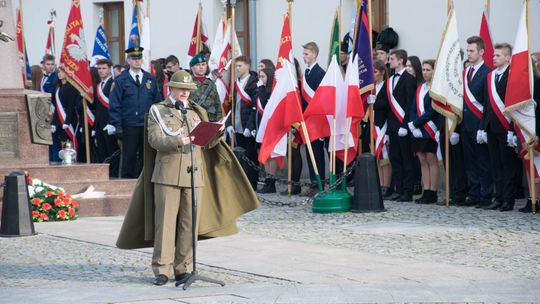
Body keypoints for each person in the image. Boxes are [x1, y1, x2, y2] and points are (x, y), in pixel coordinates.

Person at [116, 70, 259, 286]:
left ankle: (183, 268)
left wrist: (216, 132)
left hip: (194, 173)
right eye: (181, 88)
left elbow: (206, 144)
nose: (185, 92)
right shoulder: (159, 111)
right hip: (168, 174)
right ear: (171, 88)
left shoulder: (195, 112)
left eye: (188, 89)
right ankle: (162, 269)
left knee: (189, 224)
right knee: (164, 224)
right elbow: (155, 140)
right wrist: (177, 142)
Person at [109, 46, 162, 178]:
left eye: (139, 58)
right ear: (128, 60)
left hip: (147, 125)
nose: (137, 61)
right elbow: (115, 104)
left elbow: (157, 102)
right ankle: (128, 186)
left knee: (147, 158)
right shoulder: (121, 80)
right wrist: (117, 125)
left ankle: (145, 185)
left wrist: (157, 122)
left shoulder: (150, 79)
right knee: (129, 158)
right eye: (134, 58)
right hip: (129, 125)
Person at [477, 43, 518, 211]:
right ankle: (498, 197)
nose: (494, 58)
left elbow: (515, 104)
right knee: (495, 164)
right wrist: (482, 127)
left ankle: (509, 199)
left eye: (498, 55)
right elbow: (487, 104)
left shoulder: (513, 75)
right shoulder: (490, 76)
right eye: (494, 55)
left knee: (508, 164)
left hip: (506, 127)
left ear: (508, 58)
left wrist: (512, 130)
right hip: (491, 127)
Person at [380, 49, 417, 202]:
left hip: (404, 127)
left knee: (407, 159)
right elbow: (383, 101)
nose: (389, 61)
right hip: (393, 127)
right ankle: (399, 189)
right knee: (395, 158)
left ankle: (407, 192)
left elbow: (411, 105)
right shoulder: (389, 80)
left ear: (401, 60)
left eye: (392, 59)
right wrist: (372, 99)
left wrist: (405, 124)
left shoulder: (409, 79)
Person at [461, 36, 493, 207]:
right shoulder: (466, 72)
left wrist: (483, 127)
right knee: (470, 162)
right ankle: (473, 194)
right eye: (467, 51)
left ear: (481, 52)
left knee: (483, 162)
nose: (469, 53)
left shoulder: (488, 73)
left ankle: (485, 195)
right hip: (466, 124)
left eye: (472, 50)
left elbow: (488, 104)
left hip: (480, 125)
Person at [408, 60, 440, 204]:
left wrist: (416, 123)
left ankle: (432, 191)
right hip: (419, 129)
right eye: (424, 70)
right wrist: (414, 124)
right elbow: (414, 107)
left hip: (430, 128)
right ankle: (425, 190)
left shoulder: (436, 88)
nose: (425, 72)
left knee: (431, 159)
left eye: (428, 70)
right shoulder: (420, 87)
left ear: (434, 71)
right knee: (422, 159)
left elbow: (433, 110)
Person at [225, 55, 259, 190]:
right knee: (240, 155)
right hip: (238, 125)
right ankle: (243, 182)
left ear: (247, 66)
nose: (237, 69)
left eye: (239, 66)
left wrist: (250, 126)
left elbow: (255, 107)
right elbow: (232, 106)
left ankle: (252, 184)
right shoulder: (236, 83)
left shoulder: (254, 83)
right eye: (236, 66)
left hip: (248, 127)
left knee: (251, 156)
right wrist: (228, 124)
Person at [300, 42, 326, 197]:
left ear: (315, 55)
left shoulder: (320, 73)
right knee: (310, 153)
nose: (304, 57)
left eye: (307, 54)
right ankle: (313, 182)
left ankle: (319, 183)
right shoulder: (307, 73)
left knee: (316, 152)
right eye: (303, 54)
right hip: (307, 119)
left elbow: (321, 98)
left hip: (316, 119)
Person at [94, 59, 120, 176]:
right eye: (99, 68)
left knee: (112, 153)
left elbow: (115, 105)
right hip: (100, 124)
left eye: (104, 68)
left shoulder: (114, 84)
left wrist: (113, 123)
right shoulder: (98, 86)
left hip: (110, 124)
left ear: (110, 69)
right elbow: (97, 107)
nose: (101, 71)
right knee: (102, 152)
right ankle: (104, 175)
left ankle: (113, 175)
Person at [370, 60, 392, 197]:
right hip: (373, 124)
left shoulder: (387, 85)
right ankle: (379, 183)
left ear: (382, 72)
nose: (373, 74)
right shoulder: (372, 87)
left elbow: (388, 104)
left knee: (385, 156)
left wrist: (375, 101)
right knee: (376, 156)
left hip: (383, 124)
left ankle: (386, 185)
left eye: (375, 72)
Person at [256, 67, 278, 194]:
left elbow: (265, 103)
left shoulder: (270, 90)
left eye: (263, 76)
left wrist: (261, 89)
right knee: (266, 155)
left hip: (272, 126)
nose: (261, 79)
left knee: (272, 155)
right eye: (260, 76)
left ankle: (272, 181)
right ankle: (267, 180)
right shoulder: (262, 89)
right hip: (263, 126)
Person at [189, 52, 223, 122]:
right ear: (192, 68)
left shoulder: (212, 84)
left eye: (203, 64)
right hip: (194, 121)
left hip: (211, 121)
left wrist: (218, 123)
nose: (201, 67)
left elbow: (218, 106)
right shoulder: (188, 84)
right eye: (198, 65)